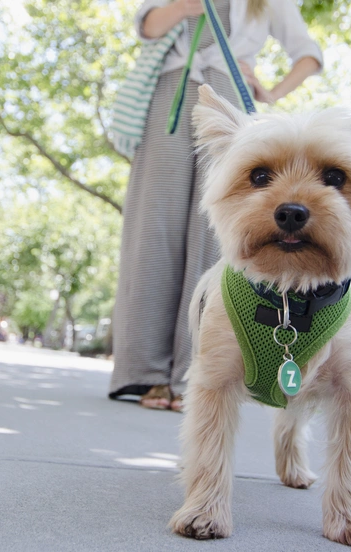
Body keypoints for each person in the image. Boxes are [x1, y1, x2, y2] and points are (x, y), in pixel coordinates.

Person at [109, 0, 323, 411]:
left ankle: (195, 375)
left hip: (228, 98)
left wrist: (271, 91)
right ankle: (146, 373)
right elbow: (149, 26)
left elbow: (309, 54)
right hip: (169, 91)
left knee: (217, 236)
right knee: (152, 227)